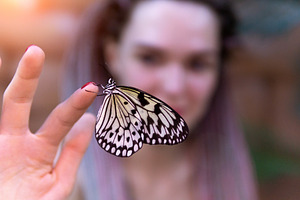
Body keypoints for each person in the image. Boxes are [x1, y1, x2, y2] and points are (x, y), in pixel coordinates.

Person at [0, 0, 258, 199]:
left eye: (198, 64)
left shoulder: (232, 178)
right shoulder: (56, 177)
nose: (174, 86)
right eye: (149, 58)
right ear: (112, 55)